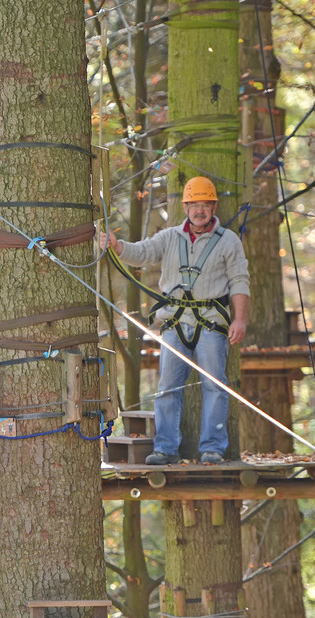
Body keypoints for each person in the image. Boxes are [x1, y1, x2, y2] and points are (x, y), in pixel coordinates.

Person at [100, 176, 250, 466]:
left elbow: (240, 281)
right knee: (168, 387)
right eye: (194, 205)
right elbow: (143, 252)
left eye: (205, 204)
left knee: (215, 386)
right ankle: (166, 448)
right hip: (175, 324)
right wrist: (118, 247)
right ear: (185, 207)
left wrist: (240, 319)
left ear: (214, 206)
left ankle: (213, 448)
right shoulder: (169, 237)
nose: (200, 210)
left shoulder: (228, 241)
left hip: (211, 323)